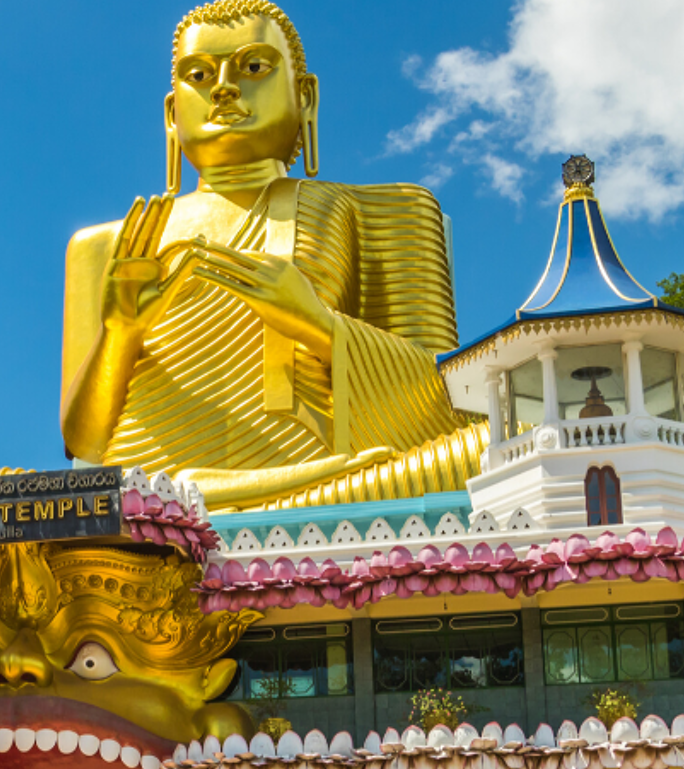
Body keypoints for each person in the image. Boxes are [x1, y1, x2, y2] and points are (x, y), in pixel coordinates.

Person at [56, 0, 484, 511]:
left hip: (321, 490)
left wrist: (319, 327)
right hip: (140, 497)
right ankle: (186, 496)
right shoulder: (108, 244)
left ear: (305, 97)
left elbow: (448, 407)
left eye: (253, 66)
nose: (222, 87)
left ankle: (203, 495)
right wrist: (118, 333)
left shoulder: (383, 211)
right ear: (172, 115)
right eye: (198, 74)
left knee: (485, 448)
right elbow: (85, 444)